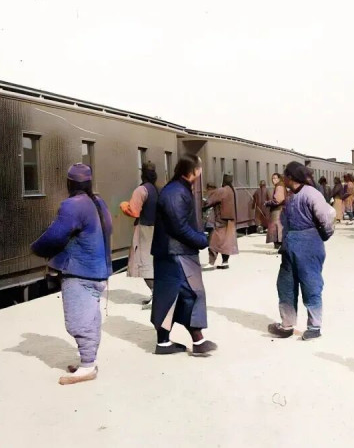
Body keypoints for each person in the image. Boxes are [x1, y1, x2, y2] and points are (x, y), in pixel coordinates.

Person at [30, 163, 112, 385]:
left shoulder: (72, 205)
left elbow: (55, 236)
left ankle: (87, 367)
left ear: (69, 183)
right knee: (91, 318)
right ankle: (89, 360)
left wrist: (36, 249)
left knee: (78, 321)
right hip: (99, 271)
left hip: (80, 272)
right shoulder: (98, 202)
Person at [150, 154, 217, 356]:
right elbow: (178, 227)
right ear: (194, 171)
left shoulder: (176, 189)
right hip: (177, 253)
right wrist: (201, 240)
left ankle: (164, 343)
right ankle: (198, 340)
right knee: (192, 294)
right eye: (200, 168)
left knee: (171, 297)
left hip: (171, 252)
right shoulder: (176, 192)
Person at [267, 162, 336, 341]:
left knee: (310, 284)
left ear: (291, 177)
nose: (283, 179)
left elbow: (326, 218)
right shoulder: (290, 196)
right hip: (289, 246)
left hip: (309, 245)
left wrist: (323, 236)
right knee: (285, 285)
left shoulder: (311, 194)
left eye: (285, 176)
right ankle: (287, 324)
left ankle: (314, 327)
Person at [119, 162, 158, 309]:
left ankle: (156, 295)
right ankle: (157, 294)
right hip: (157, 229)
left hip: (144, 231)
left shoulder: (141, 190)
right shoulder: (156, 189)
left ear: (142, 174)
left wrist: (124, 206)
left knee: (143, 264)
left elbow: (134, 211)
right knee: (152, 264)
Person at [203, 174, 239, 270]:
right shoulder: (232, 190)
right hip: (230, 220)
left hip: (221, 220)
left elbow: (210, 202)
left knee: (214, 241)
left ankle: (211, 262)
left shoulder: (222, 191)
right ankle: (225, 262)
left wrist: (203, 205)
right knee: (226, 242)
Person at [265, 173, 286, 249]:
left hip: (277, 211)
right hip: (280, 210)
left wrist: (268, 203)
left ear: (279, 179)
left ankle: (278, 244)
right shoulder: (280, 186)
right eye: (272, 178)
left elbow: (278, 200)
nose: (273, 180)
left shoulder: (279, 186)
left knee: (276, 228)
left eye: (275, 178)